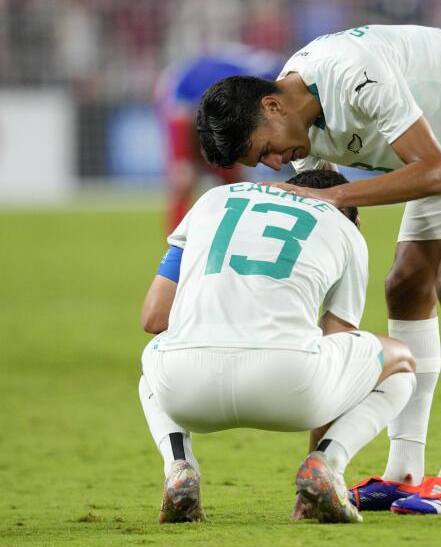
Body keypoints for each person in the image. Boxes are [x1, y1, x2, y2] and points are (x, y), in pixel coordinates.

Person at [195, 24, 441, 515]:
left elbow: (433, 173)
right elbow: (331, 244)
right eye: (263, 164)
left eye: (267, 152)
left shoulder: (352, 73)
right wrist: (316, 473)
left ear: (273, 107)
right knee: (406, 284)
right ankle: (404, 471)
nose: (276, 163)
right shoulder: (303, 130)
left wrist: (337, 193)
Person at [138, 170, 416, 524]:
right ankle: (327, 465)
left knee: (157, 358)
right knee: (401, 362)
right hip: (288, 387)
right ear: (353, 215)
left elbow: (153, 318)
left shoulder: (212, 199)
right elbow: (337, 338)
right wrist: (314, 481)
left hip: (186, 391)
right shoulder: (345, 228)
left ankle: (179, 466)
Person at [153, 47, 283, 232]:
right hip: (180, 106)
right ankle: (178, 246)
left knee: (232, 180)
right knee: (184, 176)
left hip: (201, 106)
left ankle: (235, 236)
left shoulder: (253, 72)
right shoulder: (252, 80)